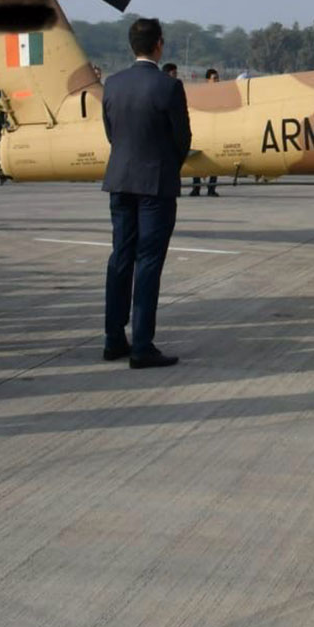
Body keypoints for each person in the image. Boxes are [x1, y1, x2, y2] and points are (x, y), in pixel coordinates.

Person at [101, 18, 191, 370]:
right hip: (155, 183)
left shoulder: (113, 84)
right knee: (148, 262)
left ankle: (113, 338)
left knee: (120, 258)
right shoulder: (168, 87)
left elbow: (111, 132)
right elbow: (182, 139)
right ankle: (142, 344)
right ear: (159, 45)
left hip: (120, 180)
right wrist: (167, 165)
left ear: (131, 45)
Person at [190, 68, 221, 198]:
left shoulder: (222, 94)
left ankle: (211, 188)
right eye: (214, 78)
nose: (217, 81)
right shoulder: (202, 94)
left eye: (217, 78)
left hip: (216, 130)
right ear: (207, 80)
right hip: (202, 130)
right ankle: (196, 188)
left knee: (216, 159)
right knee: (196, 158)